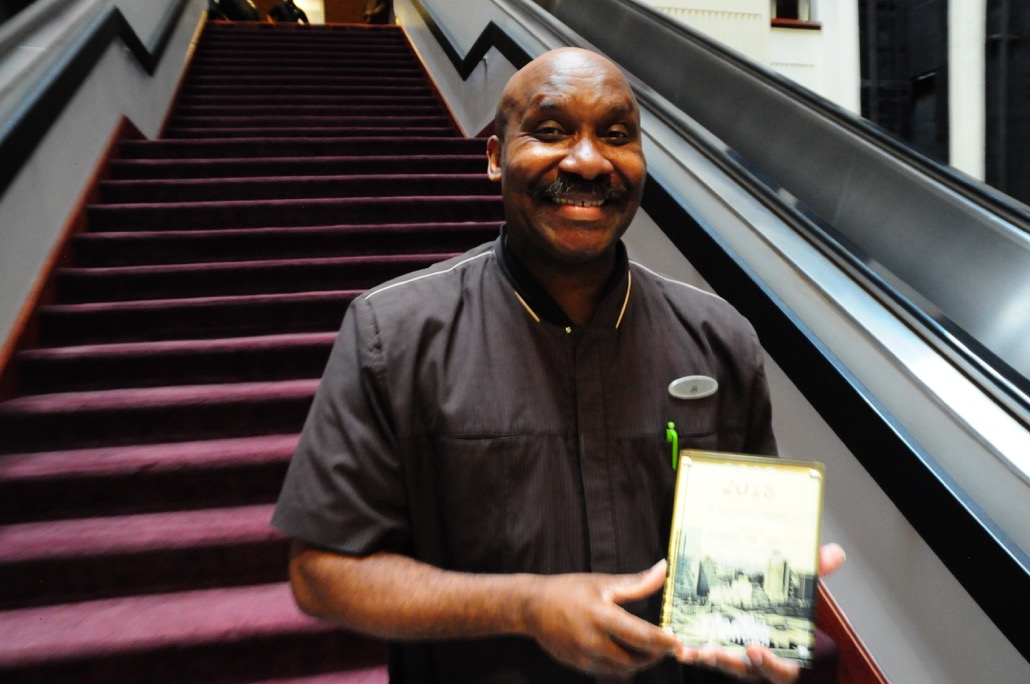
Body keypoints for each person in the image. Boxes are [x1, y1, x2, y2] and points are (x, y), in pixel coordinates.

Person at [272, 48, 845, 683]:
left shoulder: (718, 338)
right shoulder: (394, 335)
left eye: (617, 135)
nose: (589, 160)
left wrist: (761, 620)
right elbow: (322, 571)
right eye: (551, 131)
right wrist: (526, 605)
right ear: (494, 157)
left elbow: (746, 573)